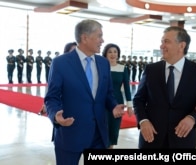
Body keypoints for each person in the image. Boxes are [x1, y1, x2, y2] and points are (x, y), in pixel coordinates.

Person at [44, 19, 125, 165]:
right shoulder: (60, 63)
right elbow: (51, 97)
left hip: (98, 134)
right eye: (99, 36)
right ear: (85, 37)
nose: (103, 40)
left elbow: (108, 93)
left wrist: (113, 106)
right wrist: (56, 115)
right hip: (70, 133)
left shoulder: (103, 63)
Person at [133, 26, 196, 149]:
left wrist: (192, 119)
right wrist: (143, 121)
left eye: (166, 41)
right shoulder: (151, 70)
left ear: (181, 46)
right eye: (161, 41)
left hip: (182, 140)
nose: (161, 46)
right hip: (151, 138)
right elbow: (138, 100)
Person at [102, 43, 134, 149]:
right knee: (103, 128)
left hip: (118, 102)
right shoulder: (101, 67)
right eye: (110, 52)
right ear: (105, 54)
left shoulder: (122, 68)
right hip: (102, 102)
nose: (113, 54)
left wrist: (129, 106)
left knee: (113, 128)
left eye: (115, 52)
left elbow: (127, 88)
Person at [38, 42, 77, 115]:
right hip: (63, 110)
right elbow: (53, 92)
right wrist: (49, 107)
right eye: (73, 52)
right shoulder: (60, 69)